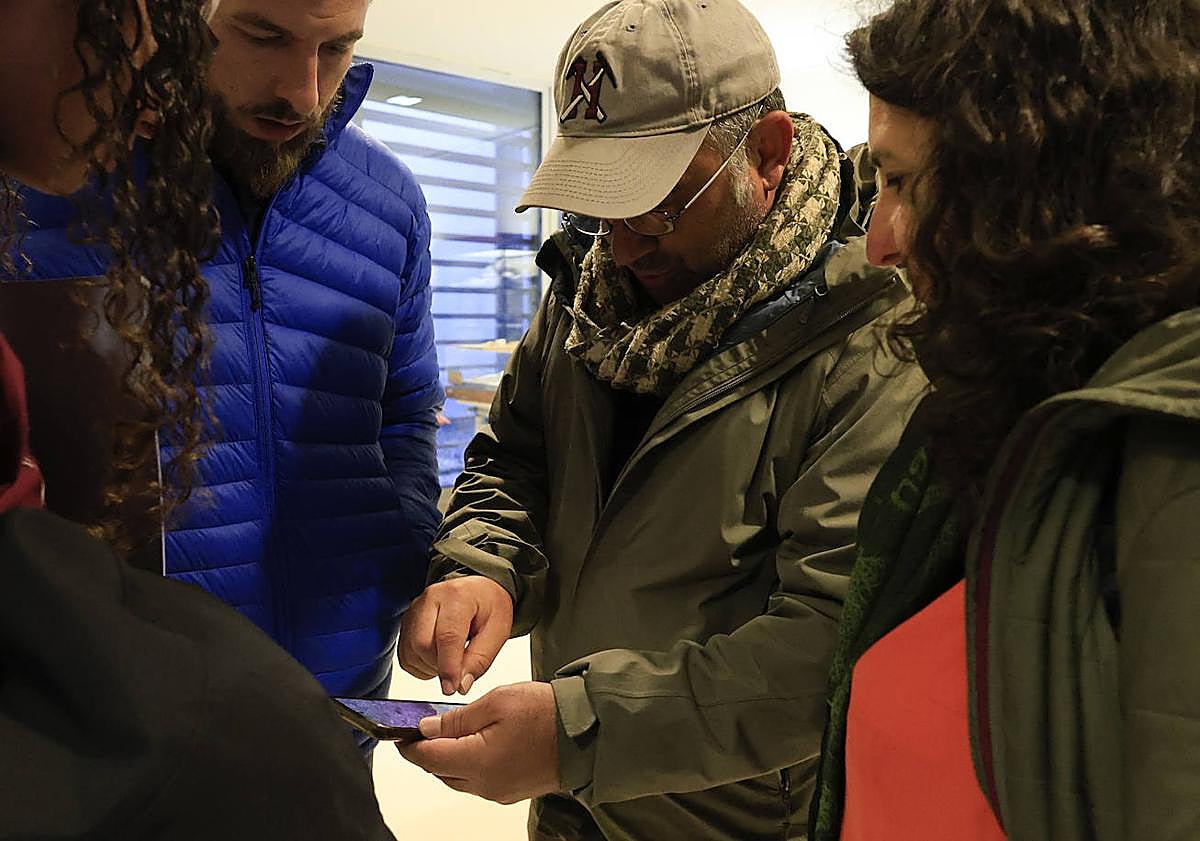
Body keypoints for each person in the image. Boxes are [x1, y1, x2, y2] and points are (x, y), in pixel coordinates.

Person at [395, 1, 927, 838]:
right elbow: (513, 462)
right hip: (573, 806)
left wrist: (581, 731)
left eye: (658, 203)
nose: (623, 242)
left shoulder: (870, 344)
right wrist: (484, 567)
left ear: (769, 153)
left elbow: (825, 644)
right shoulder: (583, 299)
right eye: (596, 205)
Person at [806, 1, 1200, 840]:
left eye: (901, 181)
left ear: (1027, 184)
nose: (876, 240)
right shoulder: (1004, 419)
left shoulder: (1168, 466)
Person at [0, 1, 394, 837]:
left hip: (336, 713)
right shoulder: (51, 165)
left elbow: (406, 416)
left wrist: (410, 577)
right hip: (112, 756)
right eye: (262, 35)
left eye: (338, 49)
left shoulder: (391, 204)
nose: (304, 89)